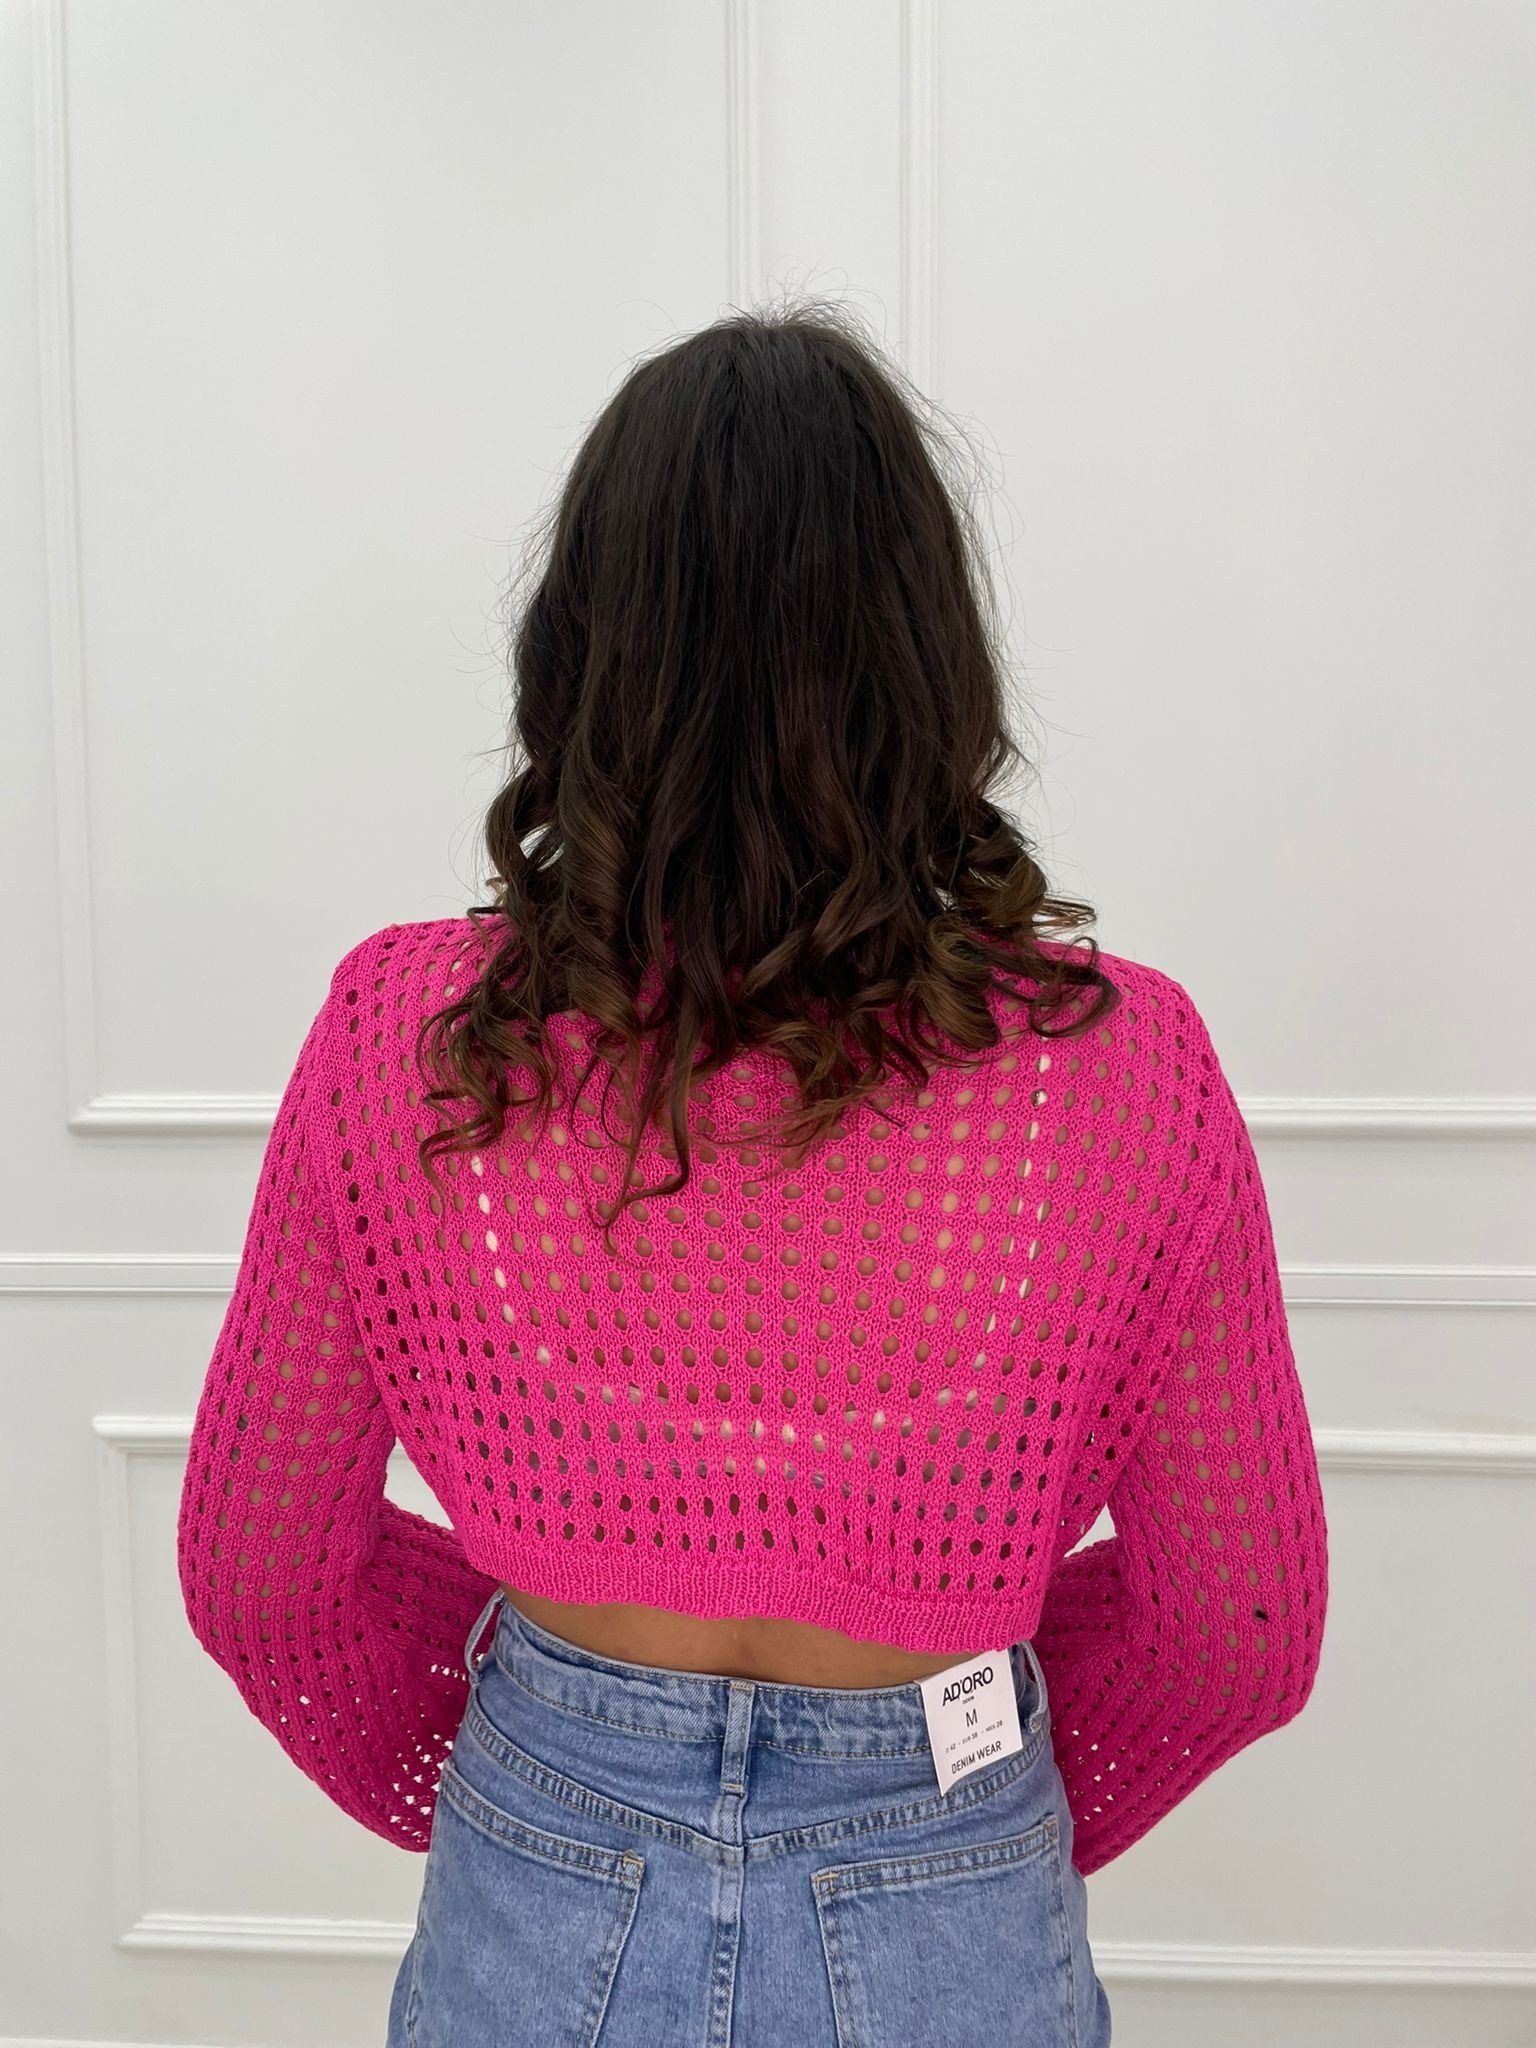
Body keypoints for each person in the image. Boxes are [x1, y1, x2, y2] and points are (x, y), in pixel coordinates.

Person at [176, 297, 1328, 2047]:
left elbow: (262, 1571)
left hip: (548, 1856)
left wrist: (532, 1744)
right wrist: (960, 1810)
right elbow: (1235, 1629)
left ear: (581, 651)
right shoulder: (1119, 1066)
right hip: (946, 1881)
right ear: (927, 664)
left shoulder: (409, 1034)